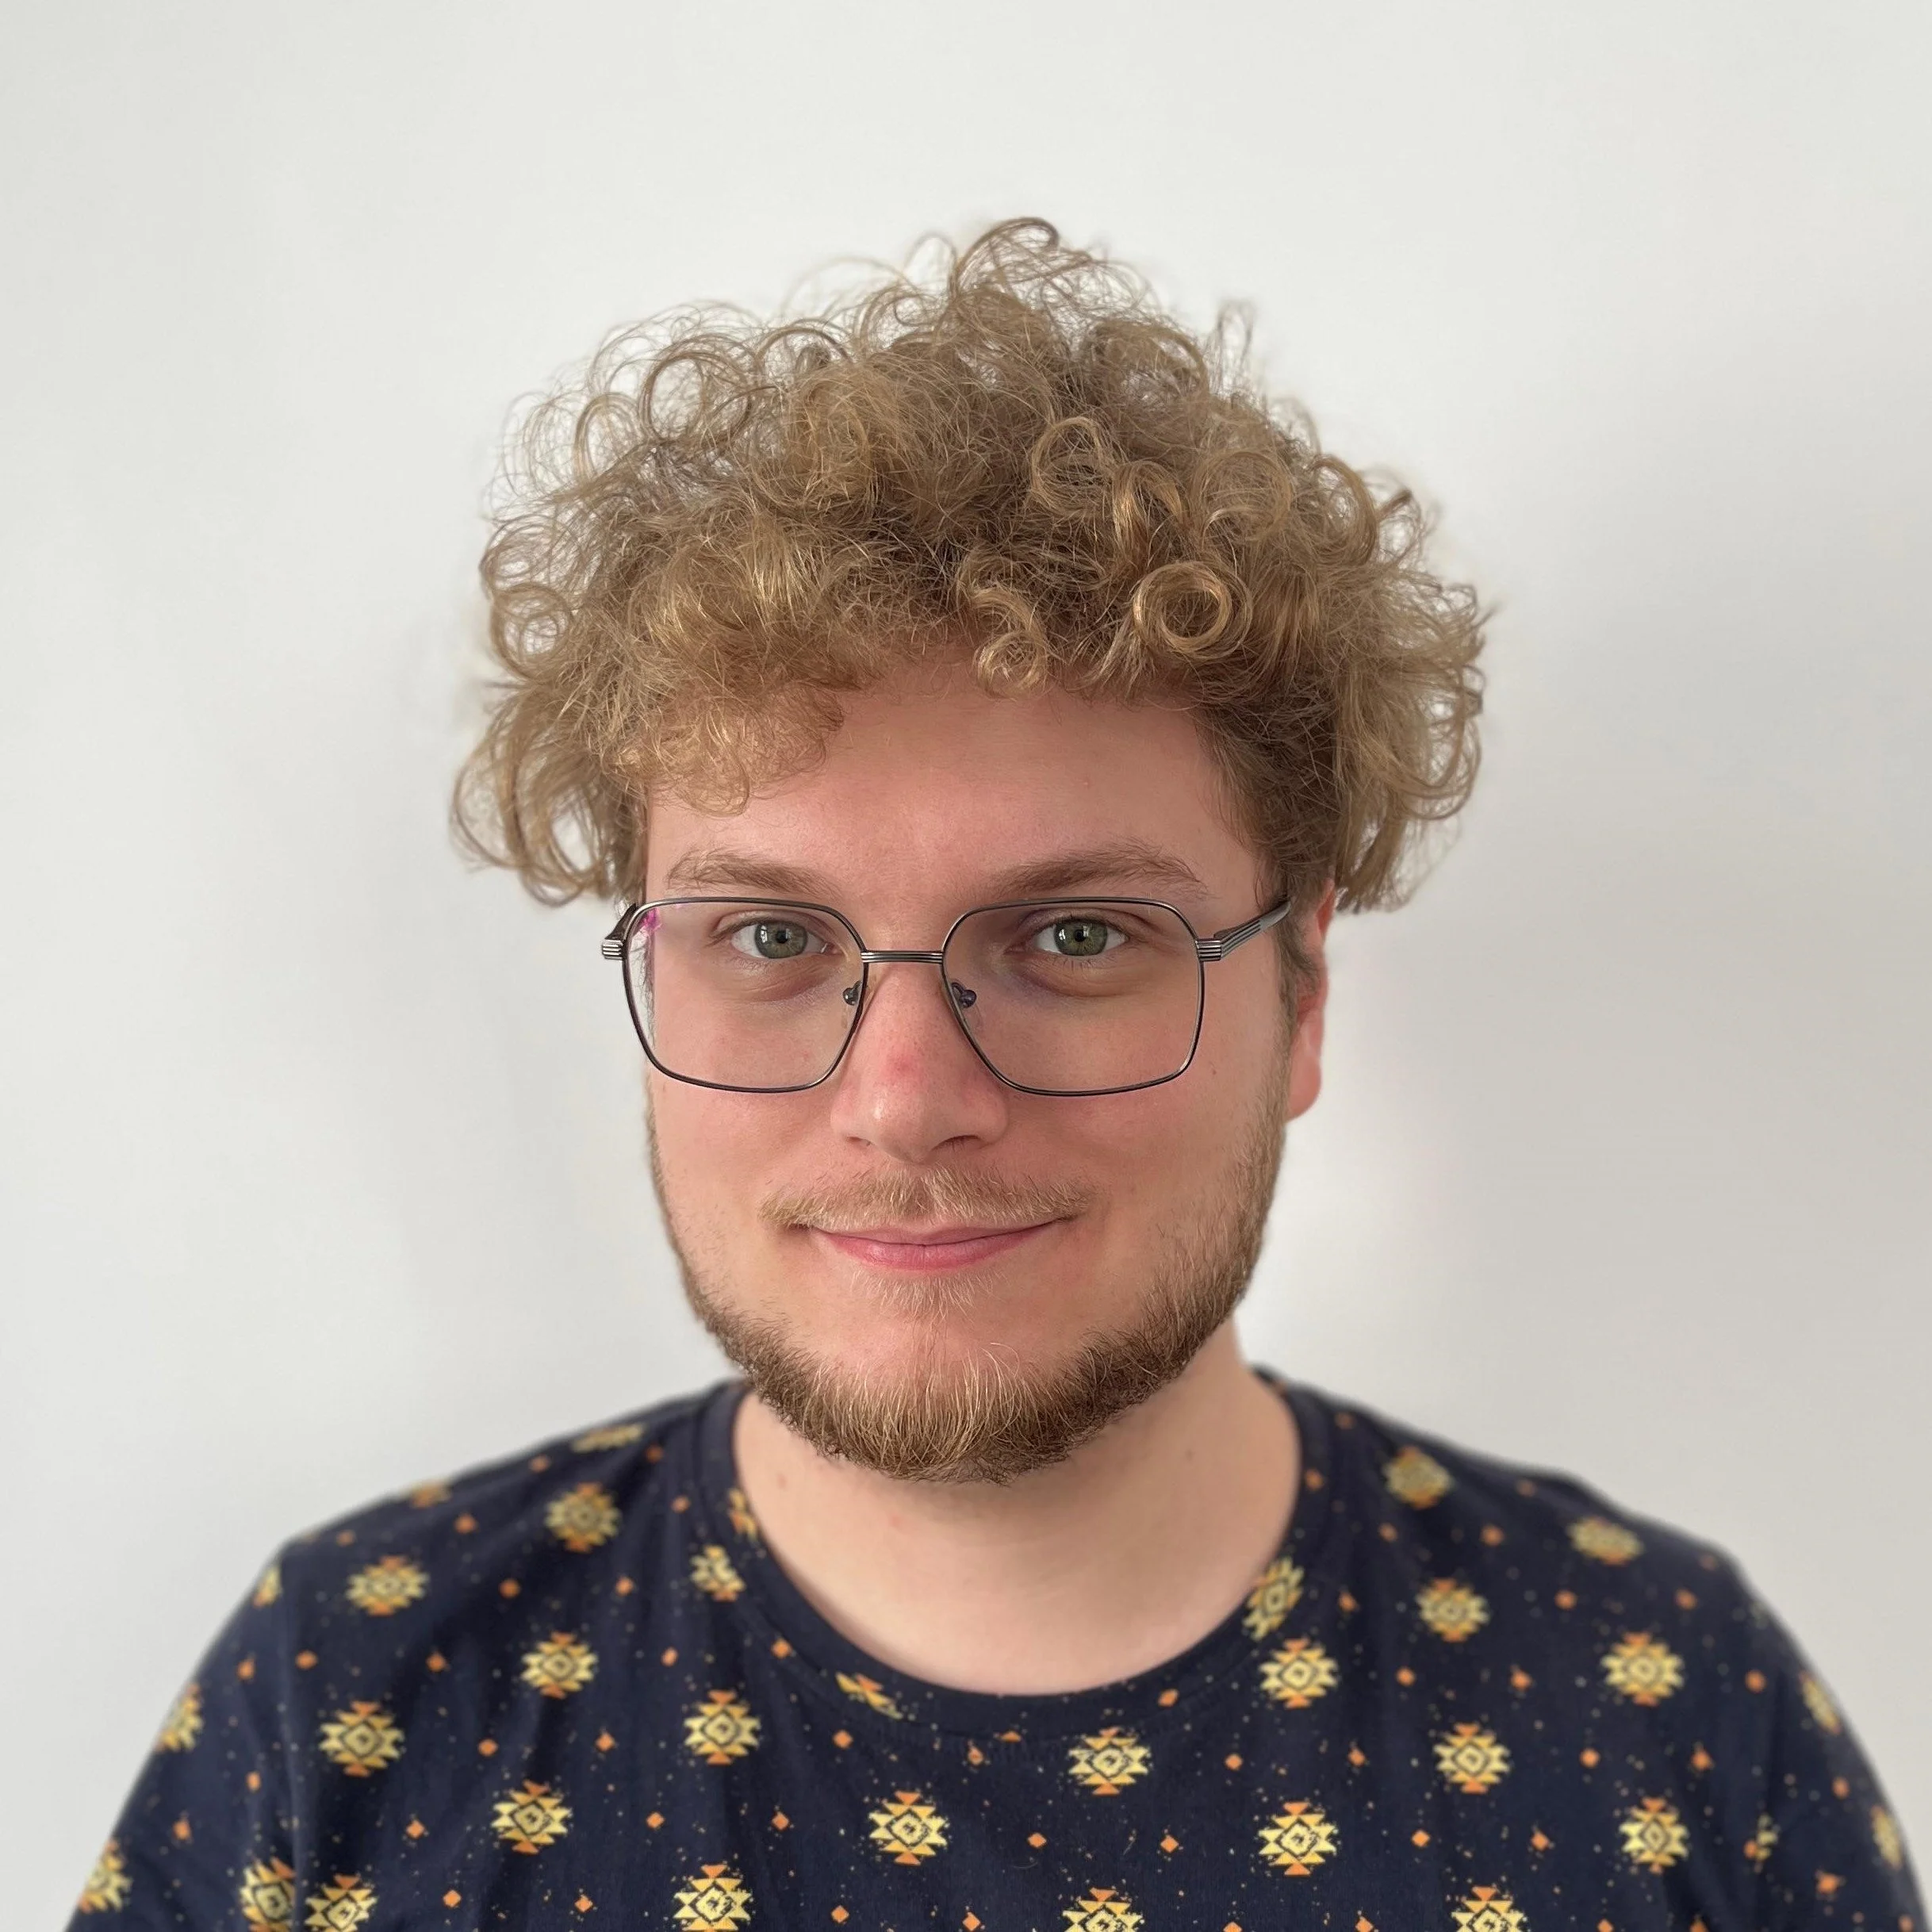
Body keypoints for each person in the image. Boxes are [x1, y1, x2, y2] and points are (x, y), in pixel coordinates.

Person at [71, 220, 1919, 1932]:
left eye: (1078, 936)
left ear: (1301, 995)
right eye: (770, 937)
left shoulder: (1674, 1720)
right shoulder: (348, 1703)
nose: (905, 1101)